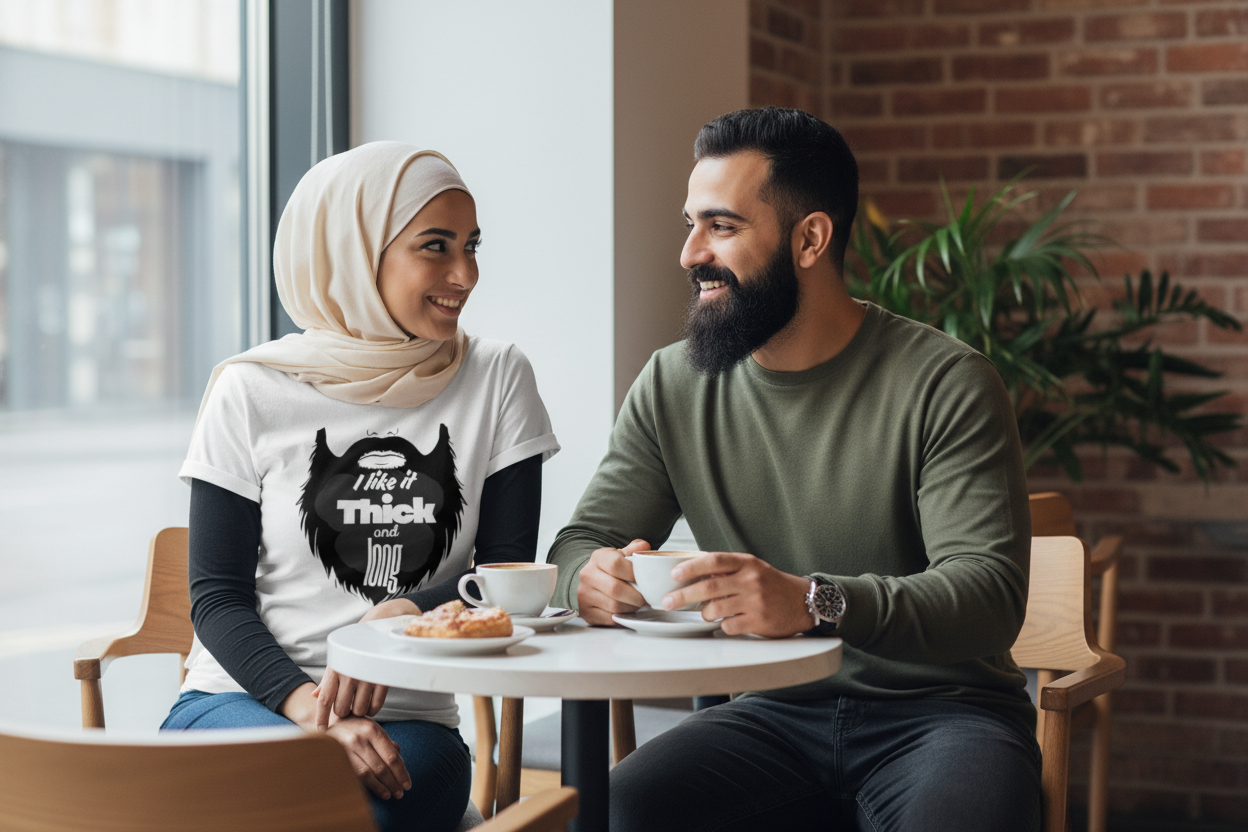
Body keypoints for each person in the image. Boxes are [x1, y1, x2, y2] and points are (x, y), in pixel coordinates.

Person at [548, 107, 1040, 831]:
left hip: (944, 715)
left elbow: (988, 595)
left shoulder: (947, 382)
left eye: (720, 226)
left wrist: (815, 602)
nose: (688, 253)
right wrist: (592, 577)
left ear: (810, 238)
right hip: (769, 711)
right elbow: (579, 542)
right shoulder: (671, 384)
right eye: (690, 223)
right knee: (622, 809)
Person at [162, 142, 560, 832]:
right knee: (266, 800)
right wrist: (314, 713)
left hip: (406, 716)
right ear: (353, 249)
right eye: (435, 247)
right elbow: (216, 598)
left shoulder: (497, 378)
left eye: (472, 245)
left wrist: (403, 611)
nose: (464, 274)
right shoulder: (249, 389)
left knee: (349, 811)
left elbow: (502, 576)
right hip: (241, 700)